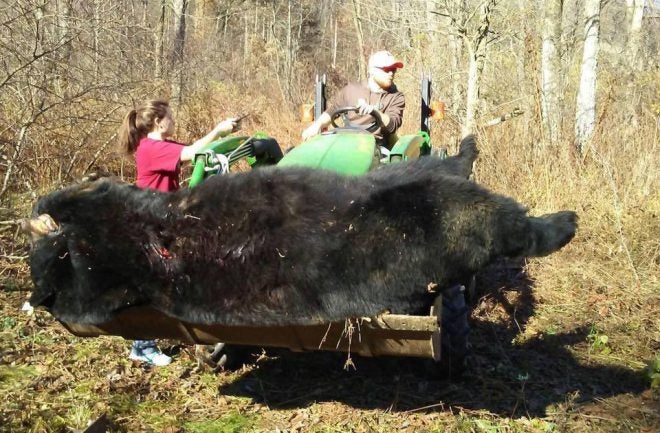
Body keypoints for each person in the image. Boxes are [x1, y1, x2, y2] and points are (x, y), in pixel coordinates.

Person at [118, 99, 238, 366]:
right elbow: (192, 151)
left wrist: (224, 138)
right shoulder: (151, 149)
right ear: (159, 121)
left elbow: (195, 152)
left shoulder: (163, 145)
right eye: (170, 116)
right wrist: (218, 130)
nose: (174, 120)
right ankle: (142, 346)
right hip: (150, 222)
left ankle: (170, 328)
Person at [302, 50, 405, 148]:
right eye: (386, 69)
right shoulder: (351, 90)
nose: (391, 73)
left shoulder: (396, 96)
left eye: (393, 69)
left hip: (376, 146)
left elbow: (393, 125)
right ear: (372, 70)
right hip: (346, 142)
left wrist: (374, 111)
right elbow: (332, 111)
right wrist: (316, 125)